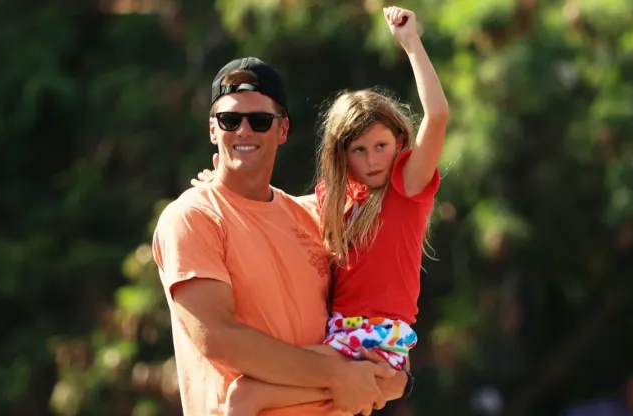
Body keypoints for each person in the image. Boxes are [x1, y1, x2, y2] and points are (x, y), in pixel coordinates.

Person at [192, 6, 450, 416]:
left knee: (244, 397)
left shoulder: (406, 189)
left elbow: (436, 117)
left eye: (382, 146)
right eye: (359, 151)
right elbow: (273, 207)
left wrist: (411, 43)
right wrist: (219, 183)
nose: (372, 160)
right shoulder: (335, 201)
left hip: (373, 339)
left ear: (400, 142)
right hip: (341, 336)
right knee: (250, 398)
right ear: (342, 156)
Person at [151, 32, 411, 416]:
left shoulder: (317, 216)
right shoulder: (193, 217)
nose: (243, 131)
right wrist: (338, 375)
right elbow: (219, 339)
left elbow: (376, 308)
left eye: (259, 120)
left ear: (283, 130)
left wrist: (401, 379)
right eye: (229, 119)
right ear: (212, 129)